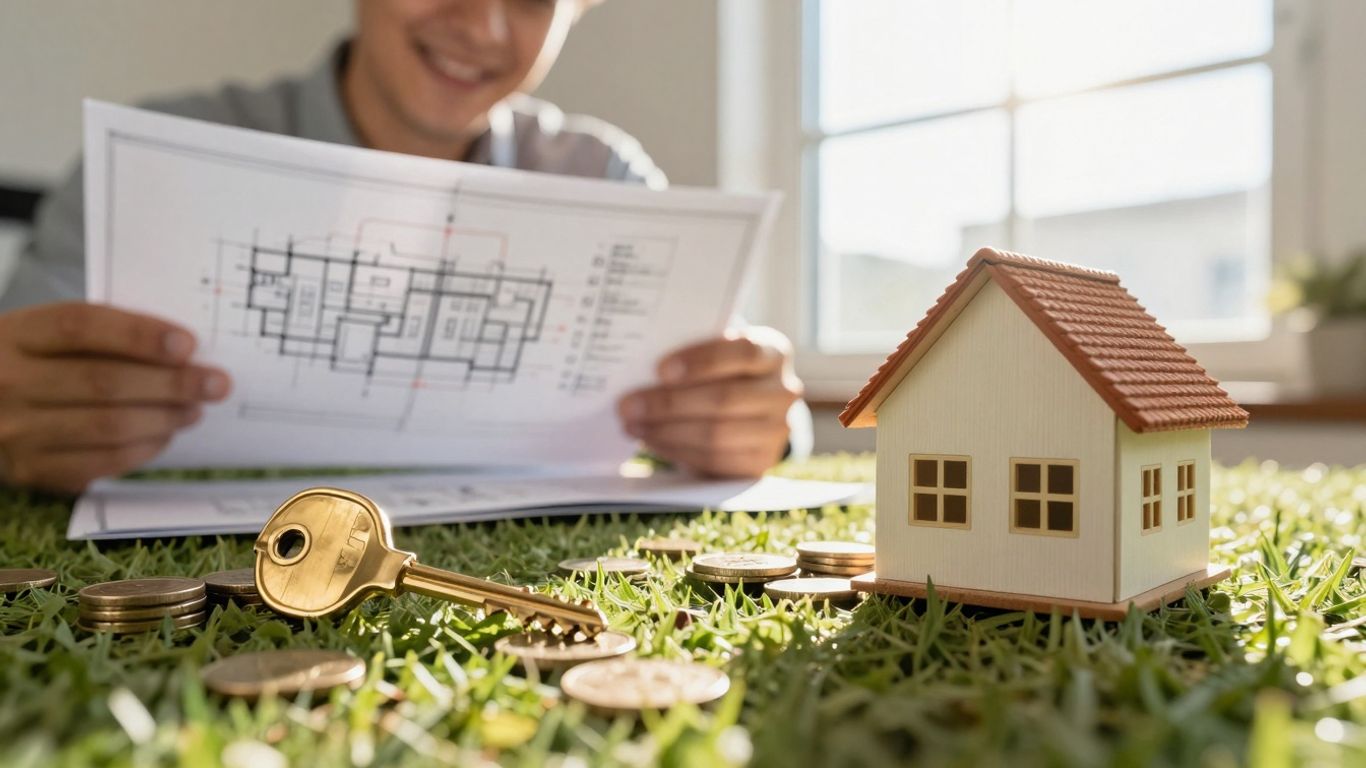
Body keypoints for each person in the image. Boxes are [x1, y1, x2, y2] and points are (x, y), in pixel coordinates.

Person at [0, 0, 806, 494]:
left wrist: (756, 419)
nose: (482, 25)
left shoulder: (608, 177)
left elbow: (729, 390)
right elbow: (19, 390)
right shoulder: (155, 158)